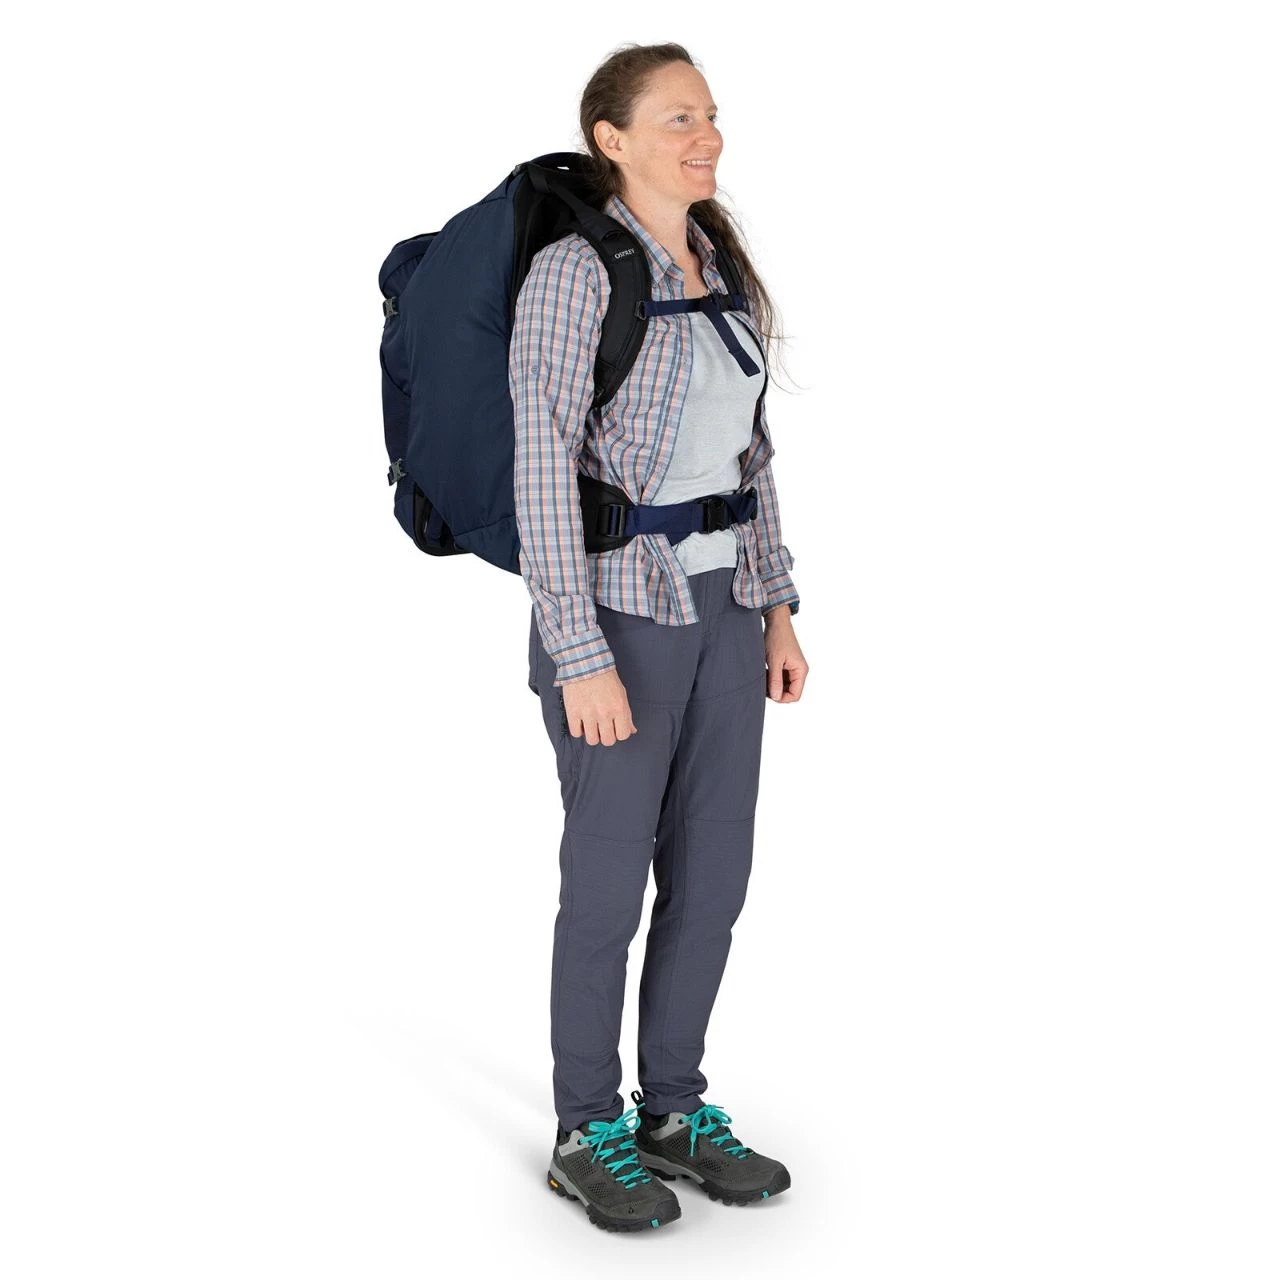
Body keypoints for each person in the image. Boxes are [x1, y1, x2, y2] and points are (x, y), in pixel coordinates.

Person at [509, 42, 809, 1233]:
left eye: (711, 115)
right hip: (619, 613)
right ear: (612, 137)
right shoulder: (573, 272)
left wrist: (777, 604)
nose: (706, 136)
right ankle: (584, 1127)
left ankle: (671, 1110)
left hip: (725, 610)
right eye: (677, 117)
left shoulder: (717, 262)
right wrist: (576, 649)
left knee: (712, 874)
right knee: (605, 884)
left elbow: (750, 454)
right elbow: (540, 462)